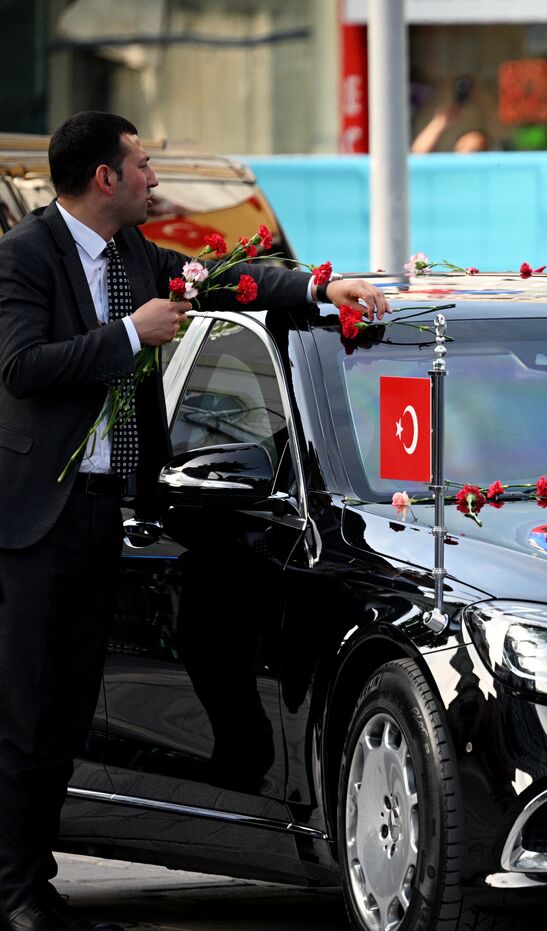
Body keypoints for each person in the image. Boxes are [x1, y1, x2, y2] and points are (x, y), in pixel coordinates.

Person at [0, 111, 388, 931]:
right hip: (33, 524)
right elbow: (20, 366)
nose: (152, 179)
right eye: (141, 165)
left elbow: (229, 281)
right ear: (104, 176)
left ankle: (32, 884)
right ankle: (15, 892)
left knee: (68, 711)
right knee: (22, 713)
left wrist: (322, 287)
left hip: (107, 515)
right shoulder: (25, 257)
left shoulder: (140, 257)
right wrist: (125, 336)